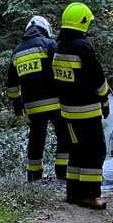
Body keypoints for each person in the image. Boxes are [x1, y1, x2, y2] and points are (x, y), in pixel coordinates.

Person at [55, 2, 111, 210]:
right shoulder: (82, 47)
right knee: (96, 151)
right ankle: (89, 196)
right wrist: (105, 100)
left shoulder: (59, 46)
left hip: (67, 111)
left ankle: (73, 193)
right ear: (83, 23)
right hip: (87, 110)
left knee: (77, 150)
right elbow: (97, 78)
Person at [6, 16, 70, 181]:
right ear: (45, 29)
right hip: (56, 103)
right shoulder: (48, 45)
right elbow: (63, 66)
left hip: (33, 106)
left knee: (36, 139)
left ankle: (33, 175)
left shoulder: (17, 52)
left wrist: (17, 107)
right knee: (64, 135)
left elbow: (12, 85)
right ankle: (62, 172)